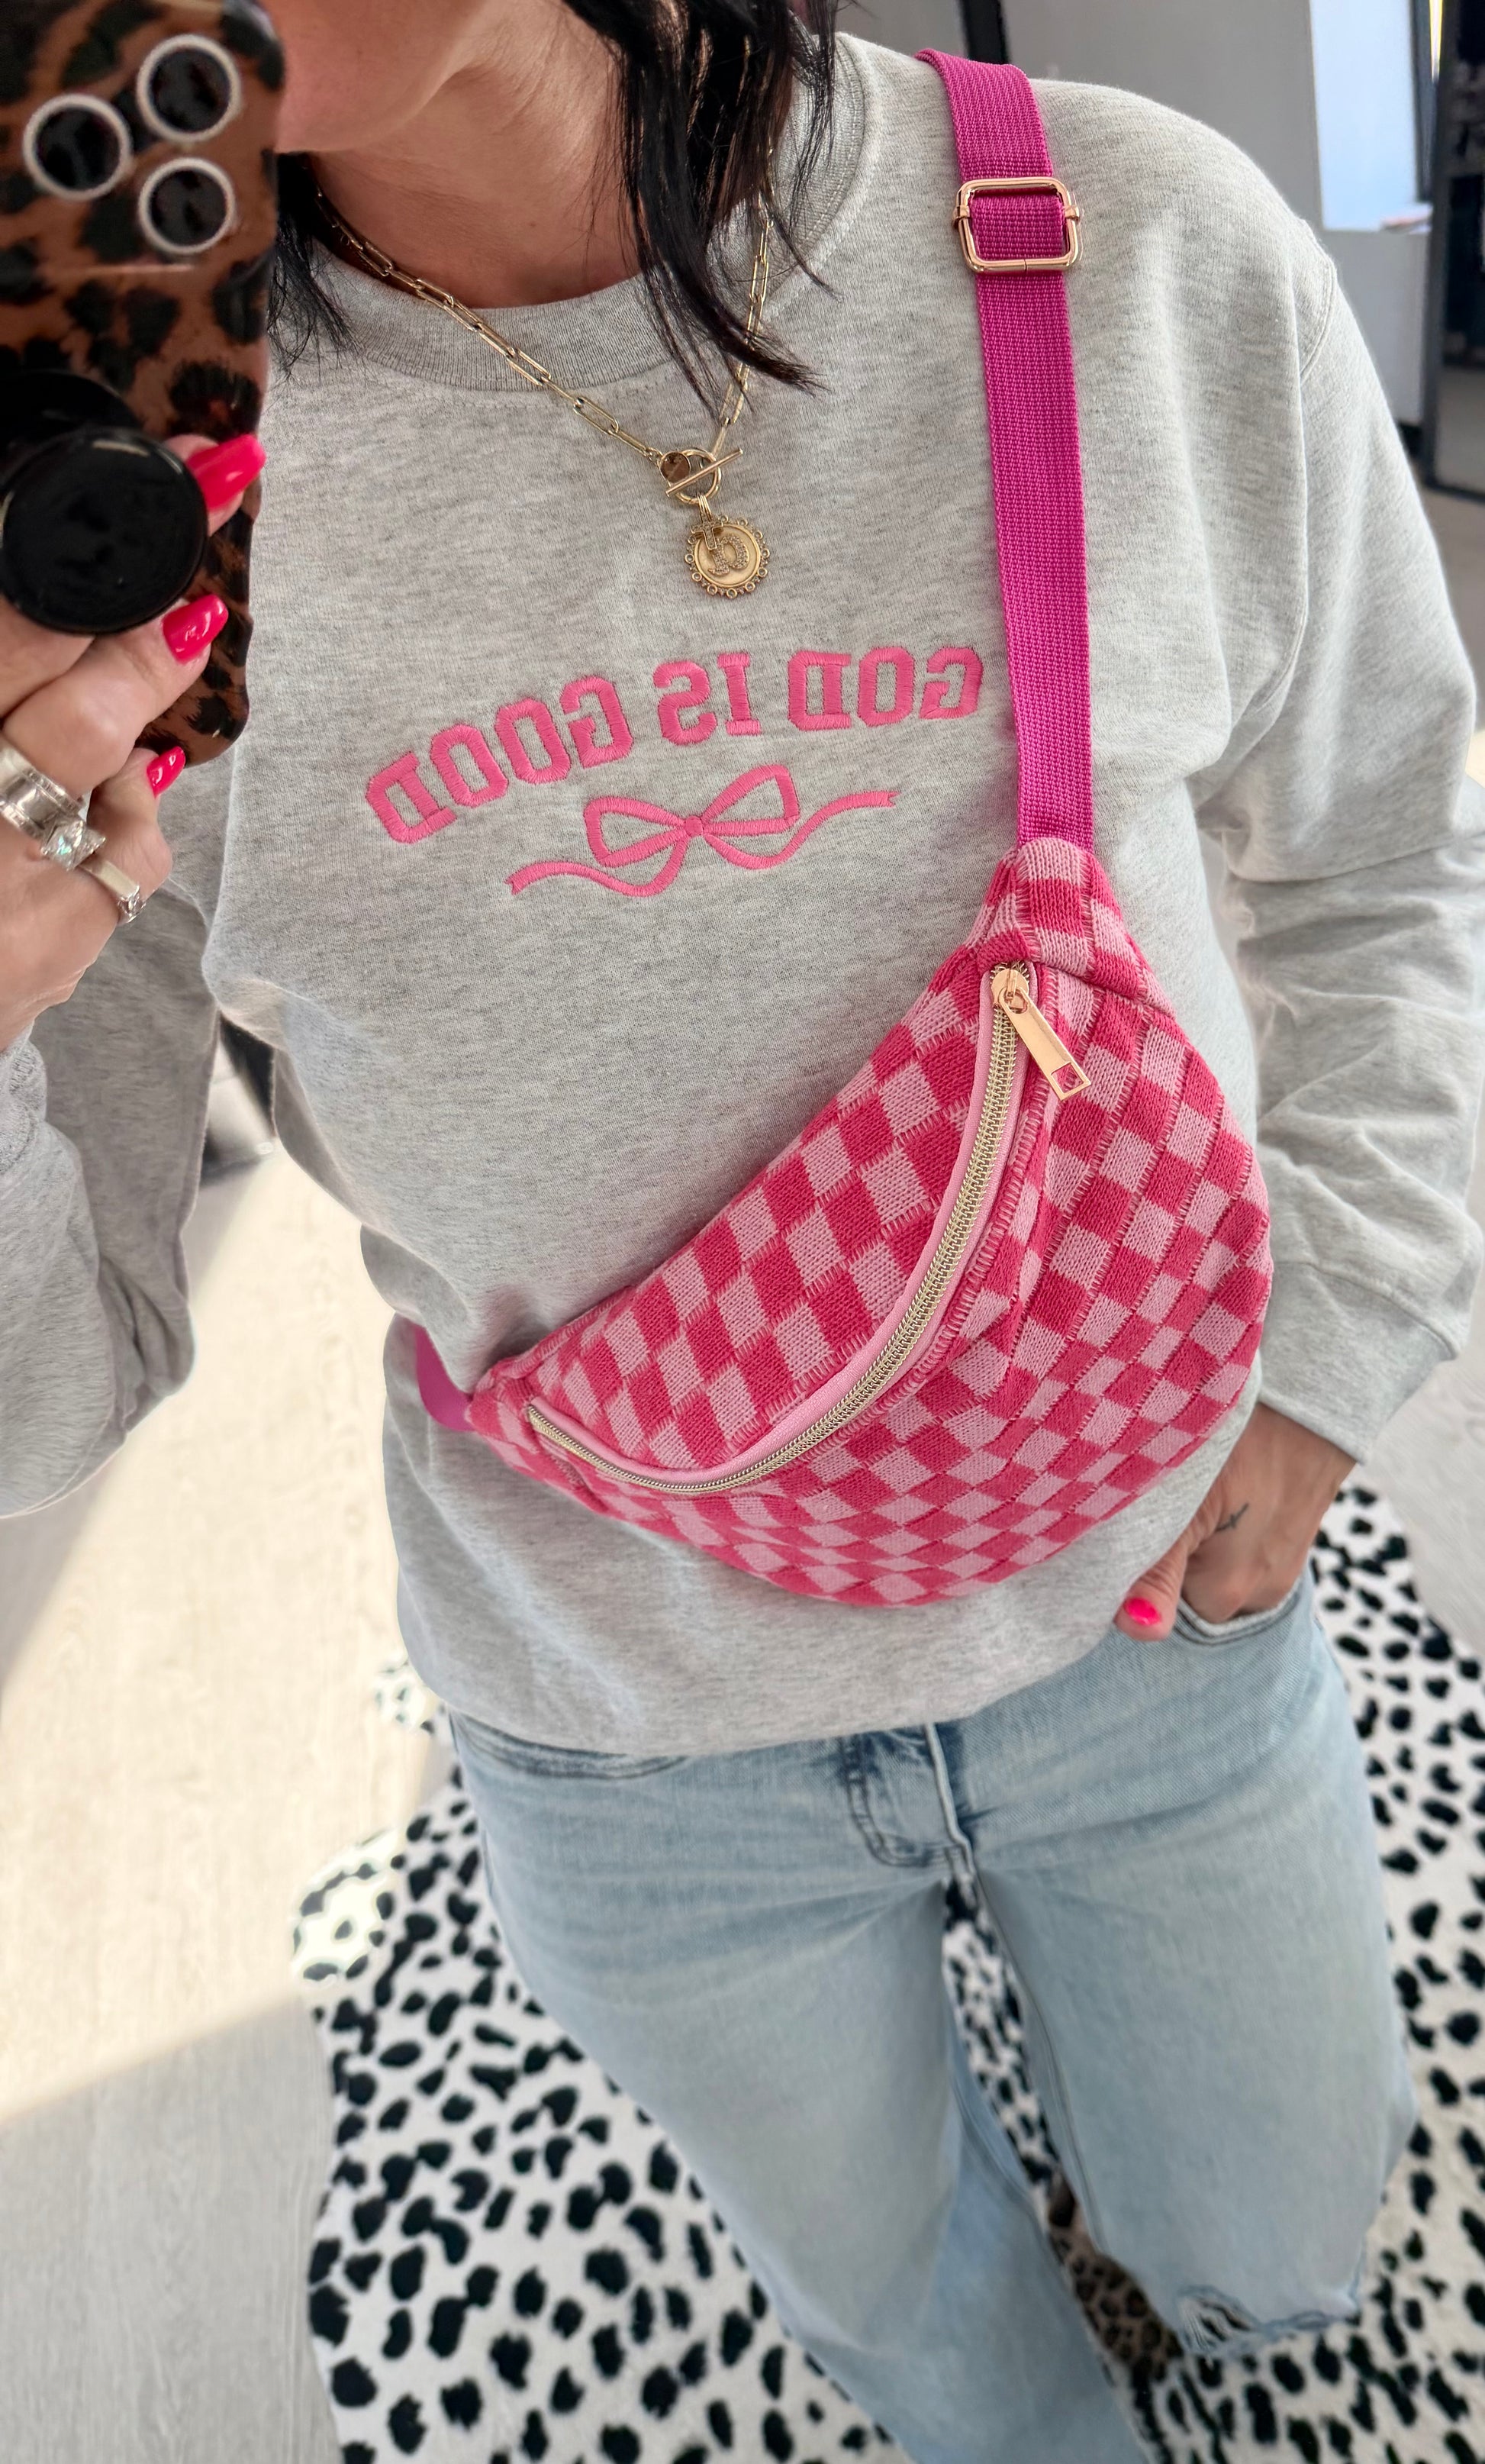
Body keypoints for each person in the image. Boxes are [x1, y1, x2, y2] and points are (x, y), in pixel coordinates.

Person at [2, 5, 1482, 2456]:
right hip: (620, 1721)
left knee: (1277, 2241)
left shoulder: (1113, 240)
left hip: (1144, 1597)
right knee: (924, 2331)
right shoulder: (112, 509)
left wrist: (1332, 1348)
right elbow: (56, 1383)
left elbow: (1386, 841)